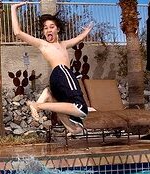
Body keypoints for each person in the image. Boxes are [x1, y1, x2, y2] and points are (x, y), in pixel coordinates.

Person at [11, 2, 94, 134]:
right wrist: (13, 8)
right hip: (61, 73)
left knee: (76, 129)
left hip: (61, 79)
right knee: (81, 108)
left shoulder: (64, 44)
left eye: (51, 27)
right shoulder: (43, 44)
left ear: (58, 29)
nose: (48, 30)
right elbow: (18, 32)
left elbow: (77, 39)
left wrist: (86, 32)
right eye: (45, 28)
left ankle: (49, 96)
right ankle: (37, 105)